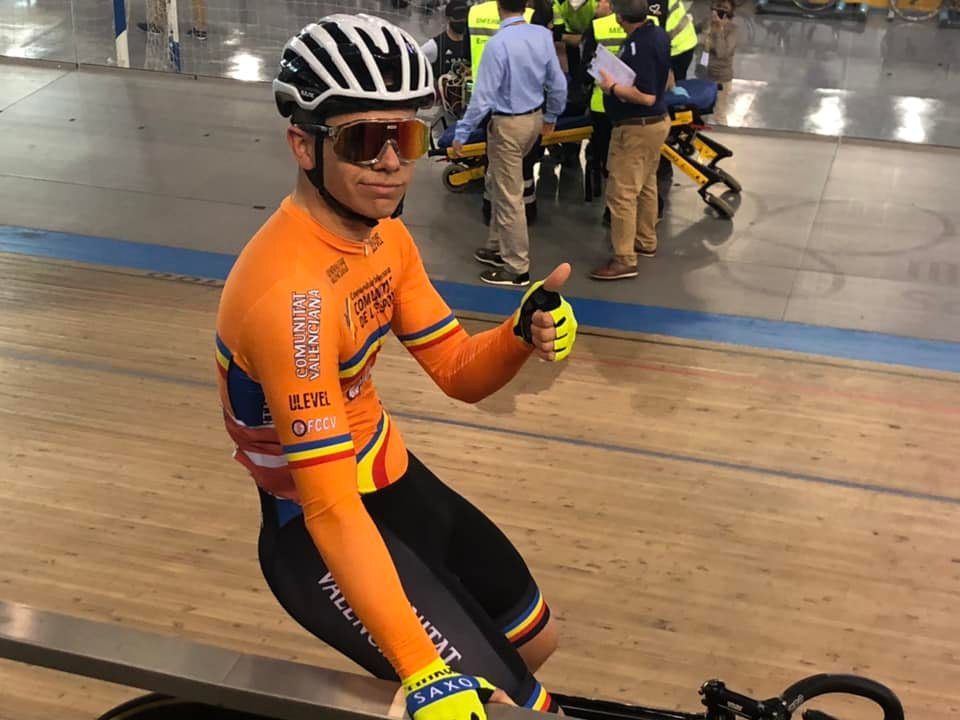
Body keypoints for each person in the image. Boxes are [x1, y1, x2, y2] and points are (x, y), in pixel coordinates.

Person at [215, 13, 579, 720]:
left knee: (537, 643)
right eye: (363, 140)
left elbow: (458, 370)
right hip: (319, 525)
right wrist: (423, 671)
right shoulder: (290, 299)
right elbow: (329, 505)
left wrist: (517, 332)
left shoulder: (385, 238)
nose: (390, 162)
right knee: (520, 710)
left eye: (405, 137)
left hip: (390, 478)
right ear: (303, 144)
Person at [453, 0, 568, 287]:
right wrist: (552, 115)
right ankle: (497, 246)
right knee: (496, 181)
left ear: (498, 7)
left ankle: (516, 267)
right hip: (533, 121)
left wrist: (462, 132)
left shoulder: (498, 44)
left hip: (507, 127)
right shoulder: (542, 35)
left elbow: (483, 97)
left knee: (508, 195)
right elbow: (558, 83)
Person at [589, 0, 672, 280]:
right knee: (646, 183)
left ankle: (624, 259)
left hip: (636, 128)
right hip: (656, 123)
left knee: (622, 193)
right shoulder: (657, 34)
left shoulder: (640, 45)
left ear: (620, 17)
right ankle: (645, 240)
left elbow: (646, 96)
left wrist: (612, 87)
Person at [698, 0, 737, 124]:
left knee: (719, 115)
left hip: (721, 78)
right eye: (718, 6)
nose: (720, 10)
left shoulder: (732, 30)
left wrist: (719, 29)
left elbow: (722, 53)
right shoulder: (706, 23)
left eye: (724, 8)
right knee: (701, 113)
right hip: (704, 75)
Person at [421, 0, 471, 80]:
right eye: (458, 17)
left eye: (465, 17)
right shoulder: (435, 45)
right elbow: (416, 62)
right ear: (448, 19)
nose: (462, 20)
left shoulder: (472, 43)